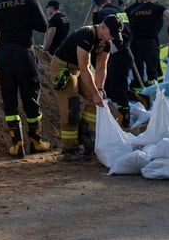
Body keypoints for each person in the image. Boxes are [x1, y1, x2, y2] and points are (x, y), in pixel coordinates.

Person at [0, 0, 50, 158]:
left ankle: (17, 144)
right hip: (24, 52)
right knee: (31, 96)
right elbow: (43, 26)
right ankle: (36, 141)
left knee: (9, 100)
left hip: (4, 54)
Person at [50, 15, 124, 161]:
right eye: (111, 33)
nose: (111, 38)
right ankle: (69, 149)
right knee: (71, 106)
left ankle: (85, 134)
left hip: (80, 69)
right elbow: (84, 68)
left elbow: (101, 68)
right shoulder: (86, 34)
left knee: (98, 98)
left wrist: (99, 90)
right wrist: (95, 93)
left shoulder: (106, 43)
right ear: (103, 26)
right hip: (63, 68)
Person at [91, 0, 134, 128]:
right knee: (119, 86)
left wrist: (95, 14)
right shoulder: (120, 11)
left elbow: (100, 33)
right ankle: (124, 118)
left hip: (116, 55)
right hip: (126, 51)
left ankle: (124, 122)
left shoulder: (104, 14)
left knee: (117, 89)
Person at [128, 0, 169, 89]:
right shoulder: (158, 8)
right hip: (150, 44)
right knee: (152, 70)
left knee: (138, 71)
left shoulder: (134, 11)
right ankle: (153, 91)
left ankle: (139, 94)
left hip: (136, 45)